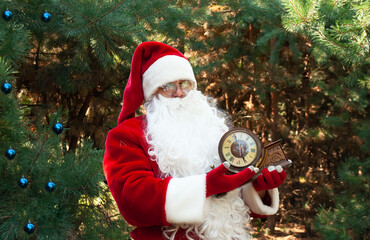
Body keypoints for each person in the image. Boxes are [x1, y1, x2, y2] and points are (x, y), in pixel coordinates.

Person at [103, 41, 286, 240]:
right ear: (152, 93)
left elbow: (237, 205)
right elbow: (133, 202)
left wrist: (259, 188)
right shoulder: (127, 135)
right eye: (168, 86)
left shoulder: (216, 129)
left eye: (185, 84)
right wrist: (206, 186)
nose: (179, 92)